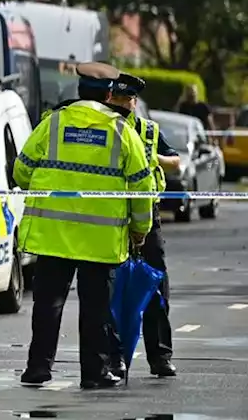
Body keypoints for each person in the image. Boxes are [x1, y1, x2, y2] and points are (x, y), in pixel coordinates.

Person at [15, 62, 155, 390]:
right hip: (100, 240)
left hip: (53, 236)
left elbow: (20, 173)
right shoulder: (123, 132)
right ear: (109, 94)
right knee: (96, 309)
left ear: (78, 92)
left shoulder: (51, 125)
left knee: (47, 304)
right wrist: (141, 229)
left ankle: (38, 368)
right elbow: (142, 187)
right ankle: (94, 373)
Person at [113, 72, 181, 378]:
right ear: (108, 98)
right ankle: (114, 357)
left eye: (128, 100)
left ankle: (160, 356)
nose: (124, 104)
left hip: (148, 215)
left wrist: (153, 158)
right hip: (112, 215)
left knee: (154, 285)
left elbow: (175, 160)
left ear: (135, 102)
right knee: (112, 290)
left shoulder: (148, 130)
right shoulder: (106, 128)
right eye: (118, 99)